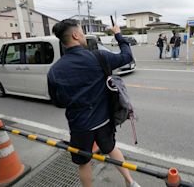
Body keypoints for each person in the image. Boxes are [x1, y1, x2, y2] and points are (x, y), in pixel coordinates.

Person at [47, 19, 140, 187]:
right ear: (75, 35)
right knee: (111, 149)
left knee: (84, 162)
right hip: (104, 121)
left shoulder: (55, 70)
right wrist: (117, 33)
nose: (83, 34)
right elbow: (127, 56)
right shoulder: (99, 57)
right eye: (81, 31)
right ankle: (130, 182)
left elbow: (58, 102)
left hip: (79, 126)